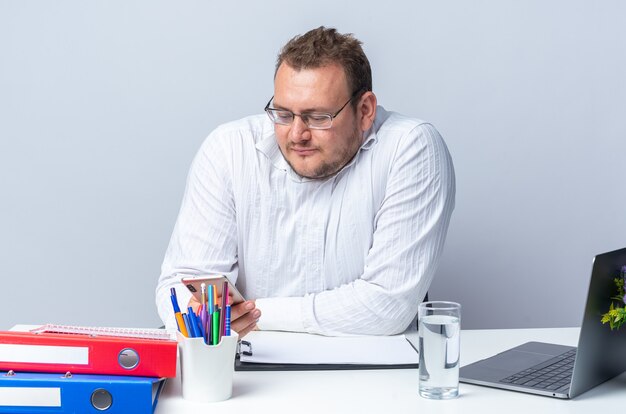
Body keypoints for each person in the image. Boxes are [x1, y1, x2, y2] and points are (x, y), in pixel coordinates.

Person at [156, 26, 455, 338]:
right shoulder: (228, 149)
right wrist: (197, 310)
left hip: (372, 373)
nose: (297, 134)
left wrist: (251, 313)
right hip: (246, 370)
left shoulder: (410, 147)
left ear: (364, 110)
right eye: (283, 114)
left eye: (318, 117)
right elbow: (182, 285)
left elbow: (387, 305)